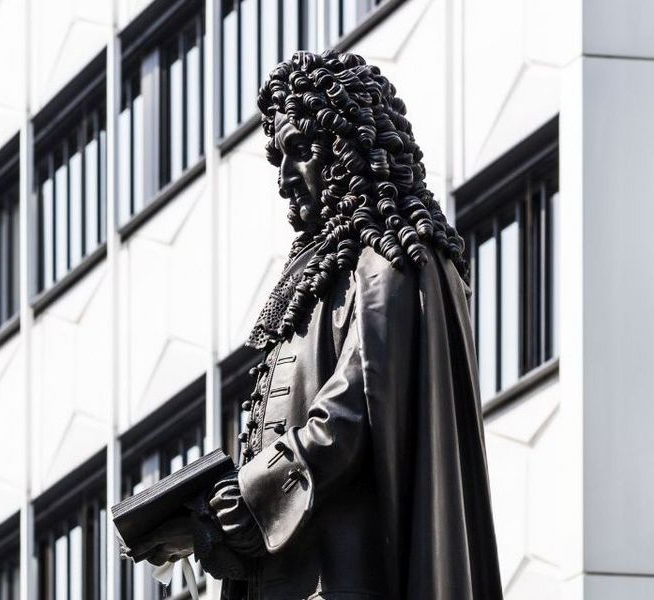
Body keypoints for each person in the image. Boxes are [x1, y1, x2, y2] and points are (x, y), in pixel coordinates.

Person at [126, 49, 502, 600]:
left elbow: (348, 415)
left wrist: (233, 510)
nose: (285, 178)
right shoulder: (320, 273)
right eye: (278, 157)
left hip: (343, 577)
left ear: (348, 147)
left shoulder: (391, 259)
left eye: (300, 150)